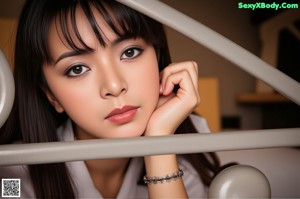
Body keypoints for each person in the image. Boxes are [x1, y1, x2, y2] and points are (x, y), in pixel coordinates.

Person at [0, 0, 227, 198]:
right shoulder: (12, 175)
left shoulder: (189, 143)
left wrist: (159, 144)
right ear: (51, 94)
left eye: (130, 53)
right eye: (77, 69)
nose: (114, 86)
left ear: (157, 56)